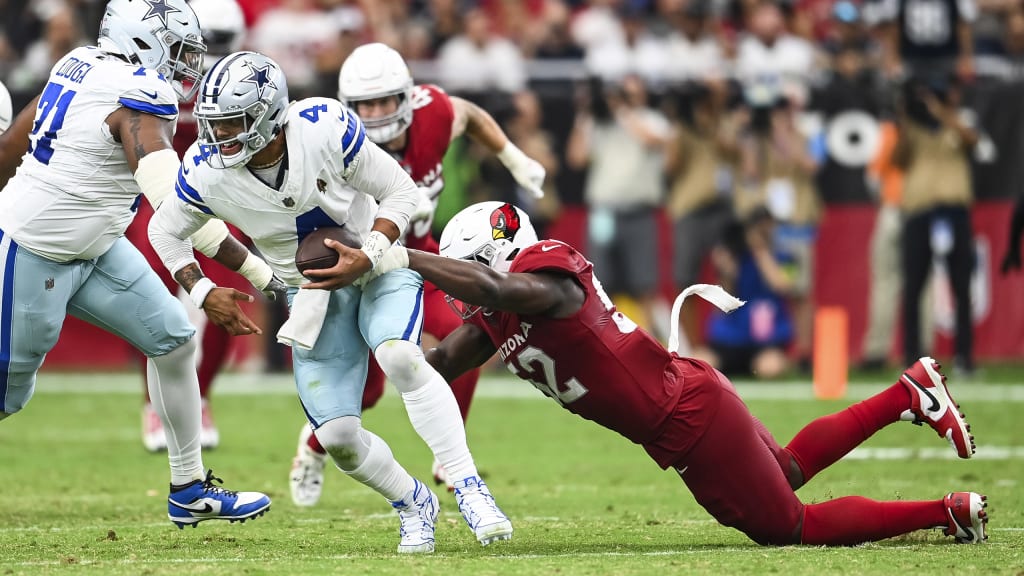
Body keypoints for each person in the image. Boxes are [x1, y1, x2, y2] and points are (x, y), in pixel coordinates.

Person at [306, 201, 988, 547]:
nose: (465, 299)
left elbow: (504, 291)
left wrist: (400, 257)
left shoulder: (545, 275)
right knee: (784, 473)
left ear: (499, 252)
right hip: (683, 401)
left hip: (682, 414)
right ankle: (909, 392)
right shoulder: (496, 313)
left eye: (474, 275)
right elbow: (433, 365)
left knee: (787, 527)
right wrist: (359, 336)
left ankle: (949, 513)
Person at [148, 51, 513, 553]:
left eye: (231, 122)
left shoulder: (322, 127)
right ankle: (413, 503)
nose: (218, 136)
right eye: (213, 123)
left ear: (267, 115)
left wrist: (370, 255)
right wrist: (203, 289)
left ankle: (470, 487)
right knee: (339, 436)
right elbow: (163, 231)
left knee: (400, 356)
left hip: (377, 262)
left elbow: (401, 193)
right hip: (310, 291)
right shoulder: (208, 170)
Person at [0, 0, 273, 528]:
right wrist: (260, 273)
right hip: (33, 250)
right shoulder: (141, 97)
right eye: (180, 52)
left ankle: (189, 489)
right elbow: (176, 207)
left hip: (96, 244)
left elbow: (14, 143)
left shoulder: (80, 62)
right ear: (141, 43)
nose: (189, 66)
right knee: (7, 396)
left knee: (173, 339)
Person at [288, 41, 547, 506]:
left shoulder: (433, 115)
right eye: (365, 104)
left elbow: (468, 113)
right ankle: (312, 447)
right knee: (366, 391)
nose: (376, 113)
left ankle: (450, 456)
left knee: (468, 338)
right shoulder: (334, 143)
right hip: (362, 271)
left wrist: (513, 157)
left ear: (407, 97)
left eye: (385, 100)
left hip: (418, 258)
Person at [126, 0, 250, 452]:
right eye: (199, 44)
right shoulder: (151, 73)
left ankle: (201, 396)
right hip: (153, 194)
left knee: (229, 286)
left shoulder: (245, 79)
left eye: (218, 43)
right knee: (150, 290)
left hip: (216, 197)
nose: (207, 54)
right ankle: (153, 403)